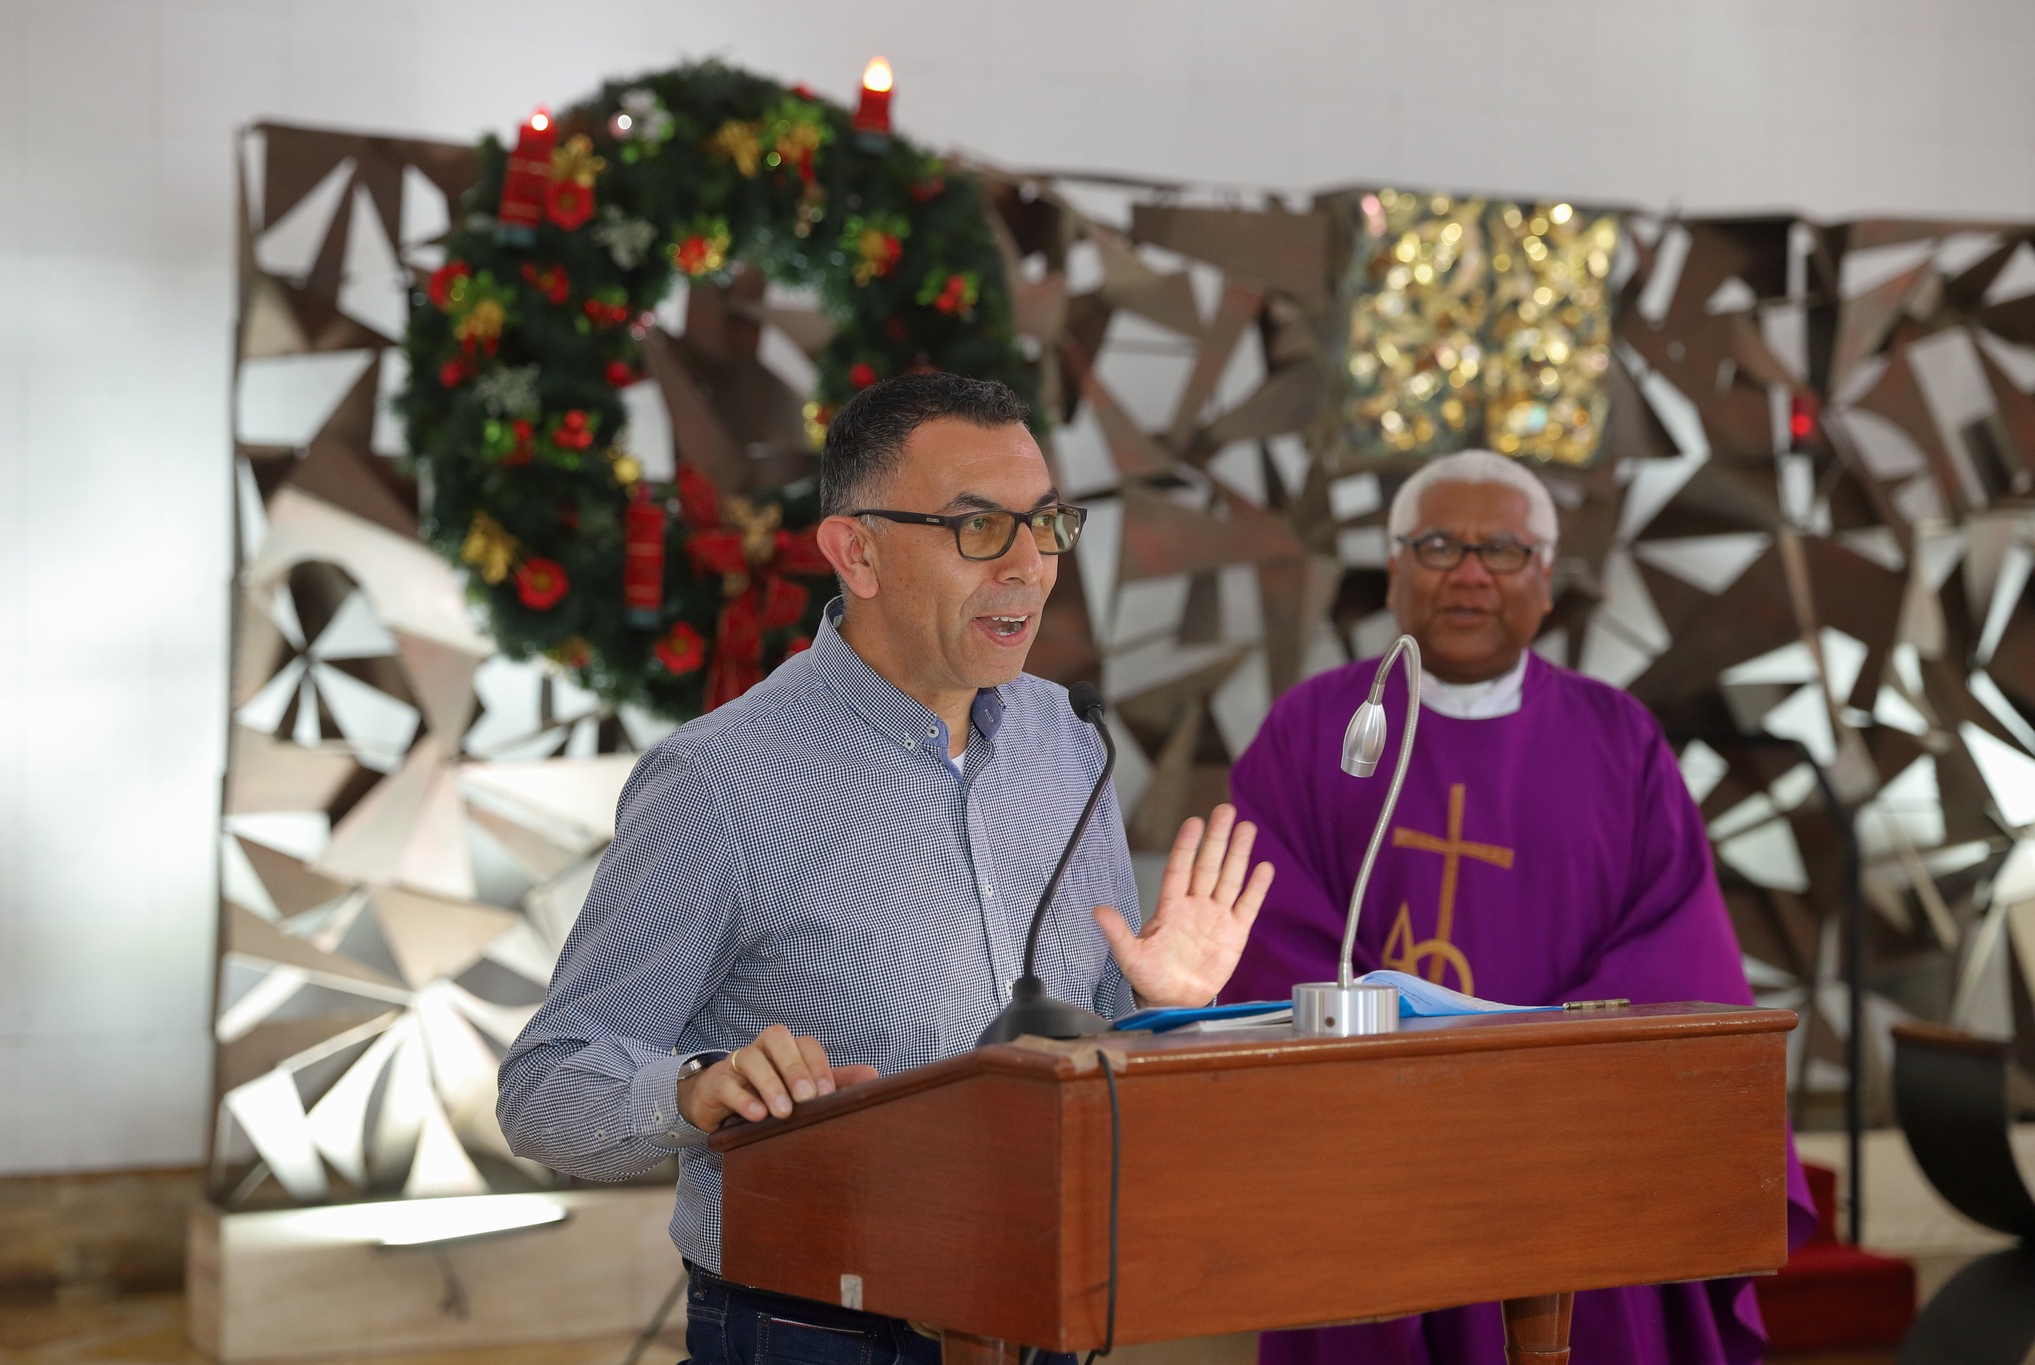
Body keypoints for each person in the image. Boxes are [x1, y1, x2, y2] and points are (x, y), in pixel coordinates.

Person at [498, 372, 1274, 1365]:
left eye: (1045, 525)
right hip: (814, 1329)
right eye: (979, 528)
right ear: (855, 551)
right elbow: (545, 1085)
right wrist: (698, 1088)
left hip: (1039, 1309)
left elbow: (1094, 1065)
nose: (1030, 568)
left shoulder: (1066, 738)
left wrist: (1160, 1013)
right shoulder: (718, 780)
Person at [1224, 449, 1813, 1365]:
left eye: (1501, 549)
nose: (1469, 573)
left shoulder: (1619, 738)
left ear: (1545, 579)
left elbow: (1677, 950)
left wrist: (1527, 1089)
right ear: (1393, 569)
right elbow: (1267, 932)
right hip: (1380, 1157)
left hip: (1577, 1155)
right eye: (1438, 545)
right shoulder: (1315, 731)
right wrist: (1412, 1079)